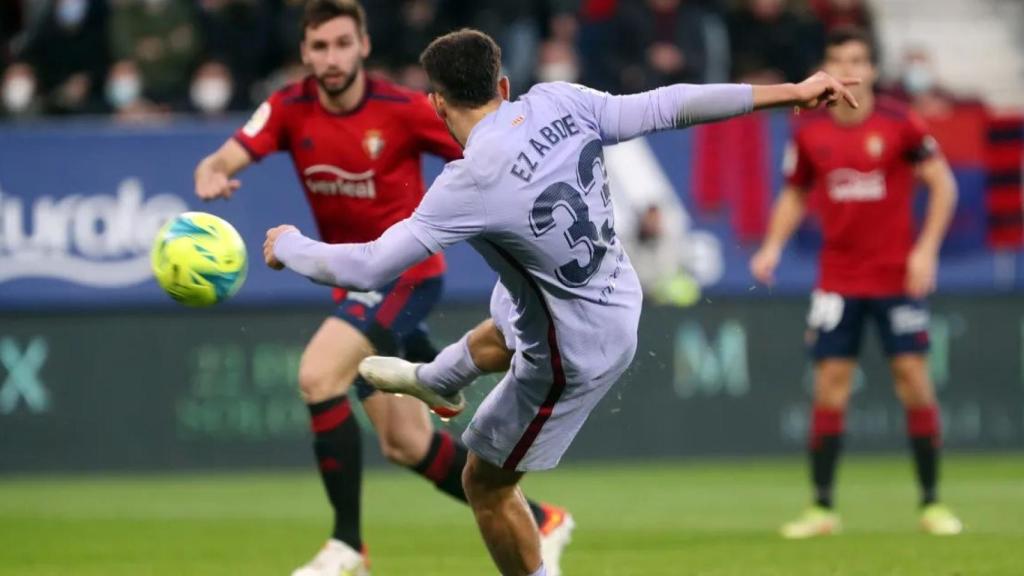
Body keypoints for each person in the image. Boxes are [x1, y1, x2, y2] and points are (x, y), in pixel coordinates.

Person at [263, 27, 860, 576]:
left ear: (438, 105)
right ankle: (437, 380)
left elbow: (370, 266)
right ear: (502, 86)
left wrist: (288, 244)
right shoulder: (560, 100)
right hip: (615, 291)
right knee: (512, 307)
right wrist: (791, 92)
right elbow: (671, 103)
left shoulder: (469, 181)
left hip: (574, 351)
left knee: (484, 483)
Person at [193, 3, 571, 576]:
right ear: (304, 52)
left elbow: (492, 145)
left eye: (343, 43)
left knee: (318, 375)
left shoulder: (403, 109)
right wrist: (213, 171)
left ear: (364, 46)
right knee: (406, 445)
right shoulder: (288, 107)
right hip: (352, 286)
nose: (332, 57)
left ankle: (347, 545)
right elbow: (229, 153)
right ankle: (542, 519)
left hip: (406, 277)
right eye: (320, 46)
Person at [749, 27, 962, 538]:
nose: (850, 69)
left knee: (913, 380)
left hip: (895, 277)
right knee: (829, 387)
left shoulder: (900, 123)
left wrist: (926, 250)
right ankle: (822, 508)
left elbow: (943, 185)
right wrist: (772, 246)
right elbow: (795, 194)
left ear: (871, 69)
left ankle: (932, 503)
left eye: (858, 60)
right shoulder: (810, 133)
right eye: (840, 60)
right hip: (839, 280)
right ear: (828, 68)